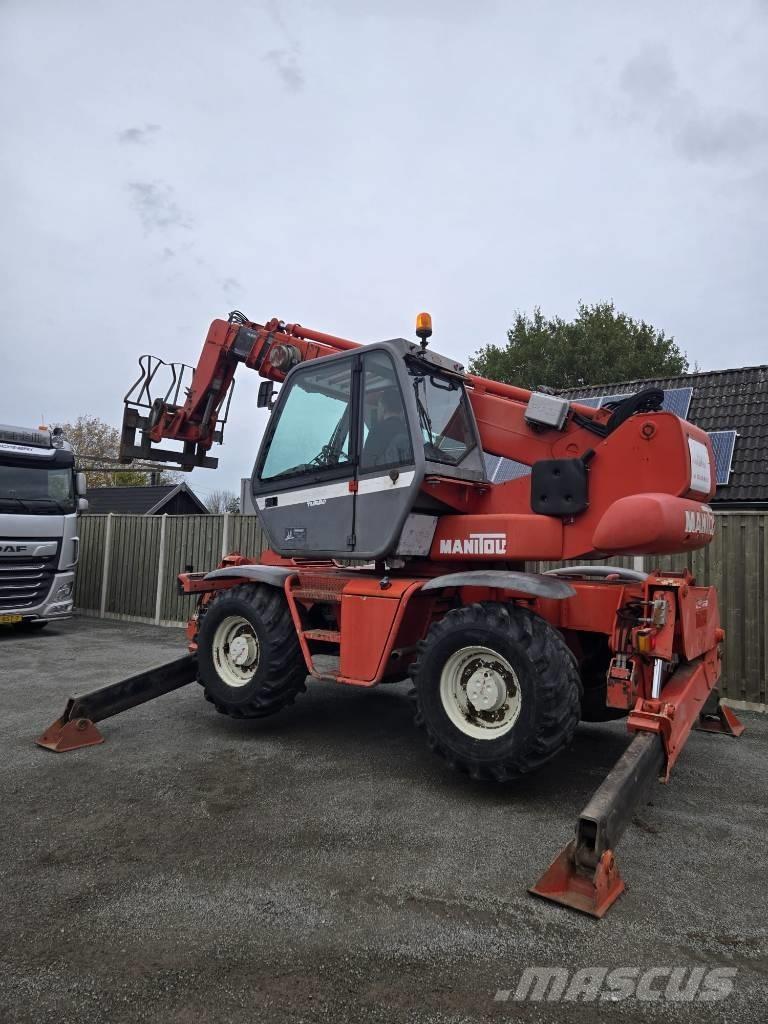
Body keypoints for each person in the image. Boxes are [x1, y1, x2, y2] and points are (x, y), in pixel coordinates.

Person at [362, 388, 412, 467]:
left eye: (378, 405)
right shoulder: (409, 432)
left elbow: (366, 464)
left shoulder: (377, 430)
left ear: (383, 407)